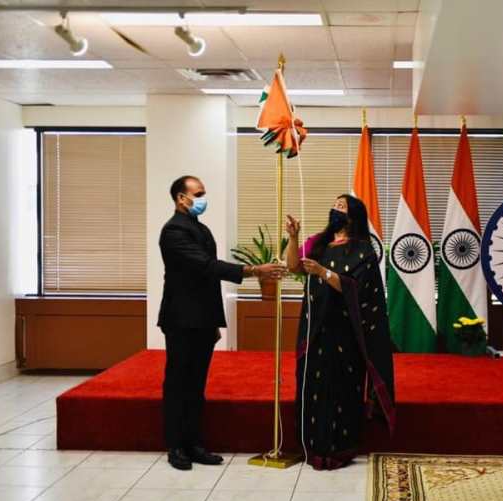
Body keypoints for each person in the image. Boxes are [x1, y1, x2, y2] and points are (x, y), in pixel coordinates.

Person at [158, 175, 285, 471]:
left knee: (196, 384)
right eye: (198, 193)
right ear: (181, 198)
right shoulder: (173, 231)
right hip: (181, 319)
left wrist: (213, 321)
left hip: (201, 319)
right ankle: (176, 446)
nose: (203, 198)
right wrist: (255, 270)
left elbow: (207, 280)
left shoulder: (199, 228)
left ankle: (194, 444)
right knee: (178, 383)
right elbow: (206, 266)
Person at [285, 194, 396, 470]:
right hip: (315, 329)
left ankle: (339, 448)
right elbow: (293, 266)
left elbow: (357, 290)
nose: (335, 209)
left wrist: (323, 273)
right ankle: (313, 446)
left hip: (345, 333)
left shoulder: (363, 251)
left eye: (342, 206)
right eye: (334, 204)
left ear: (353, 216)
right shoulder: (318, 243)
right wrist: (293, 238)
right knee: (313, 385)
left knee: (341, 387)